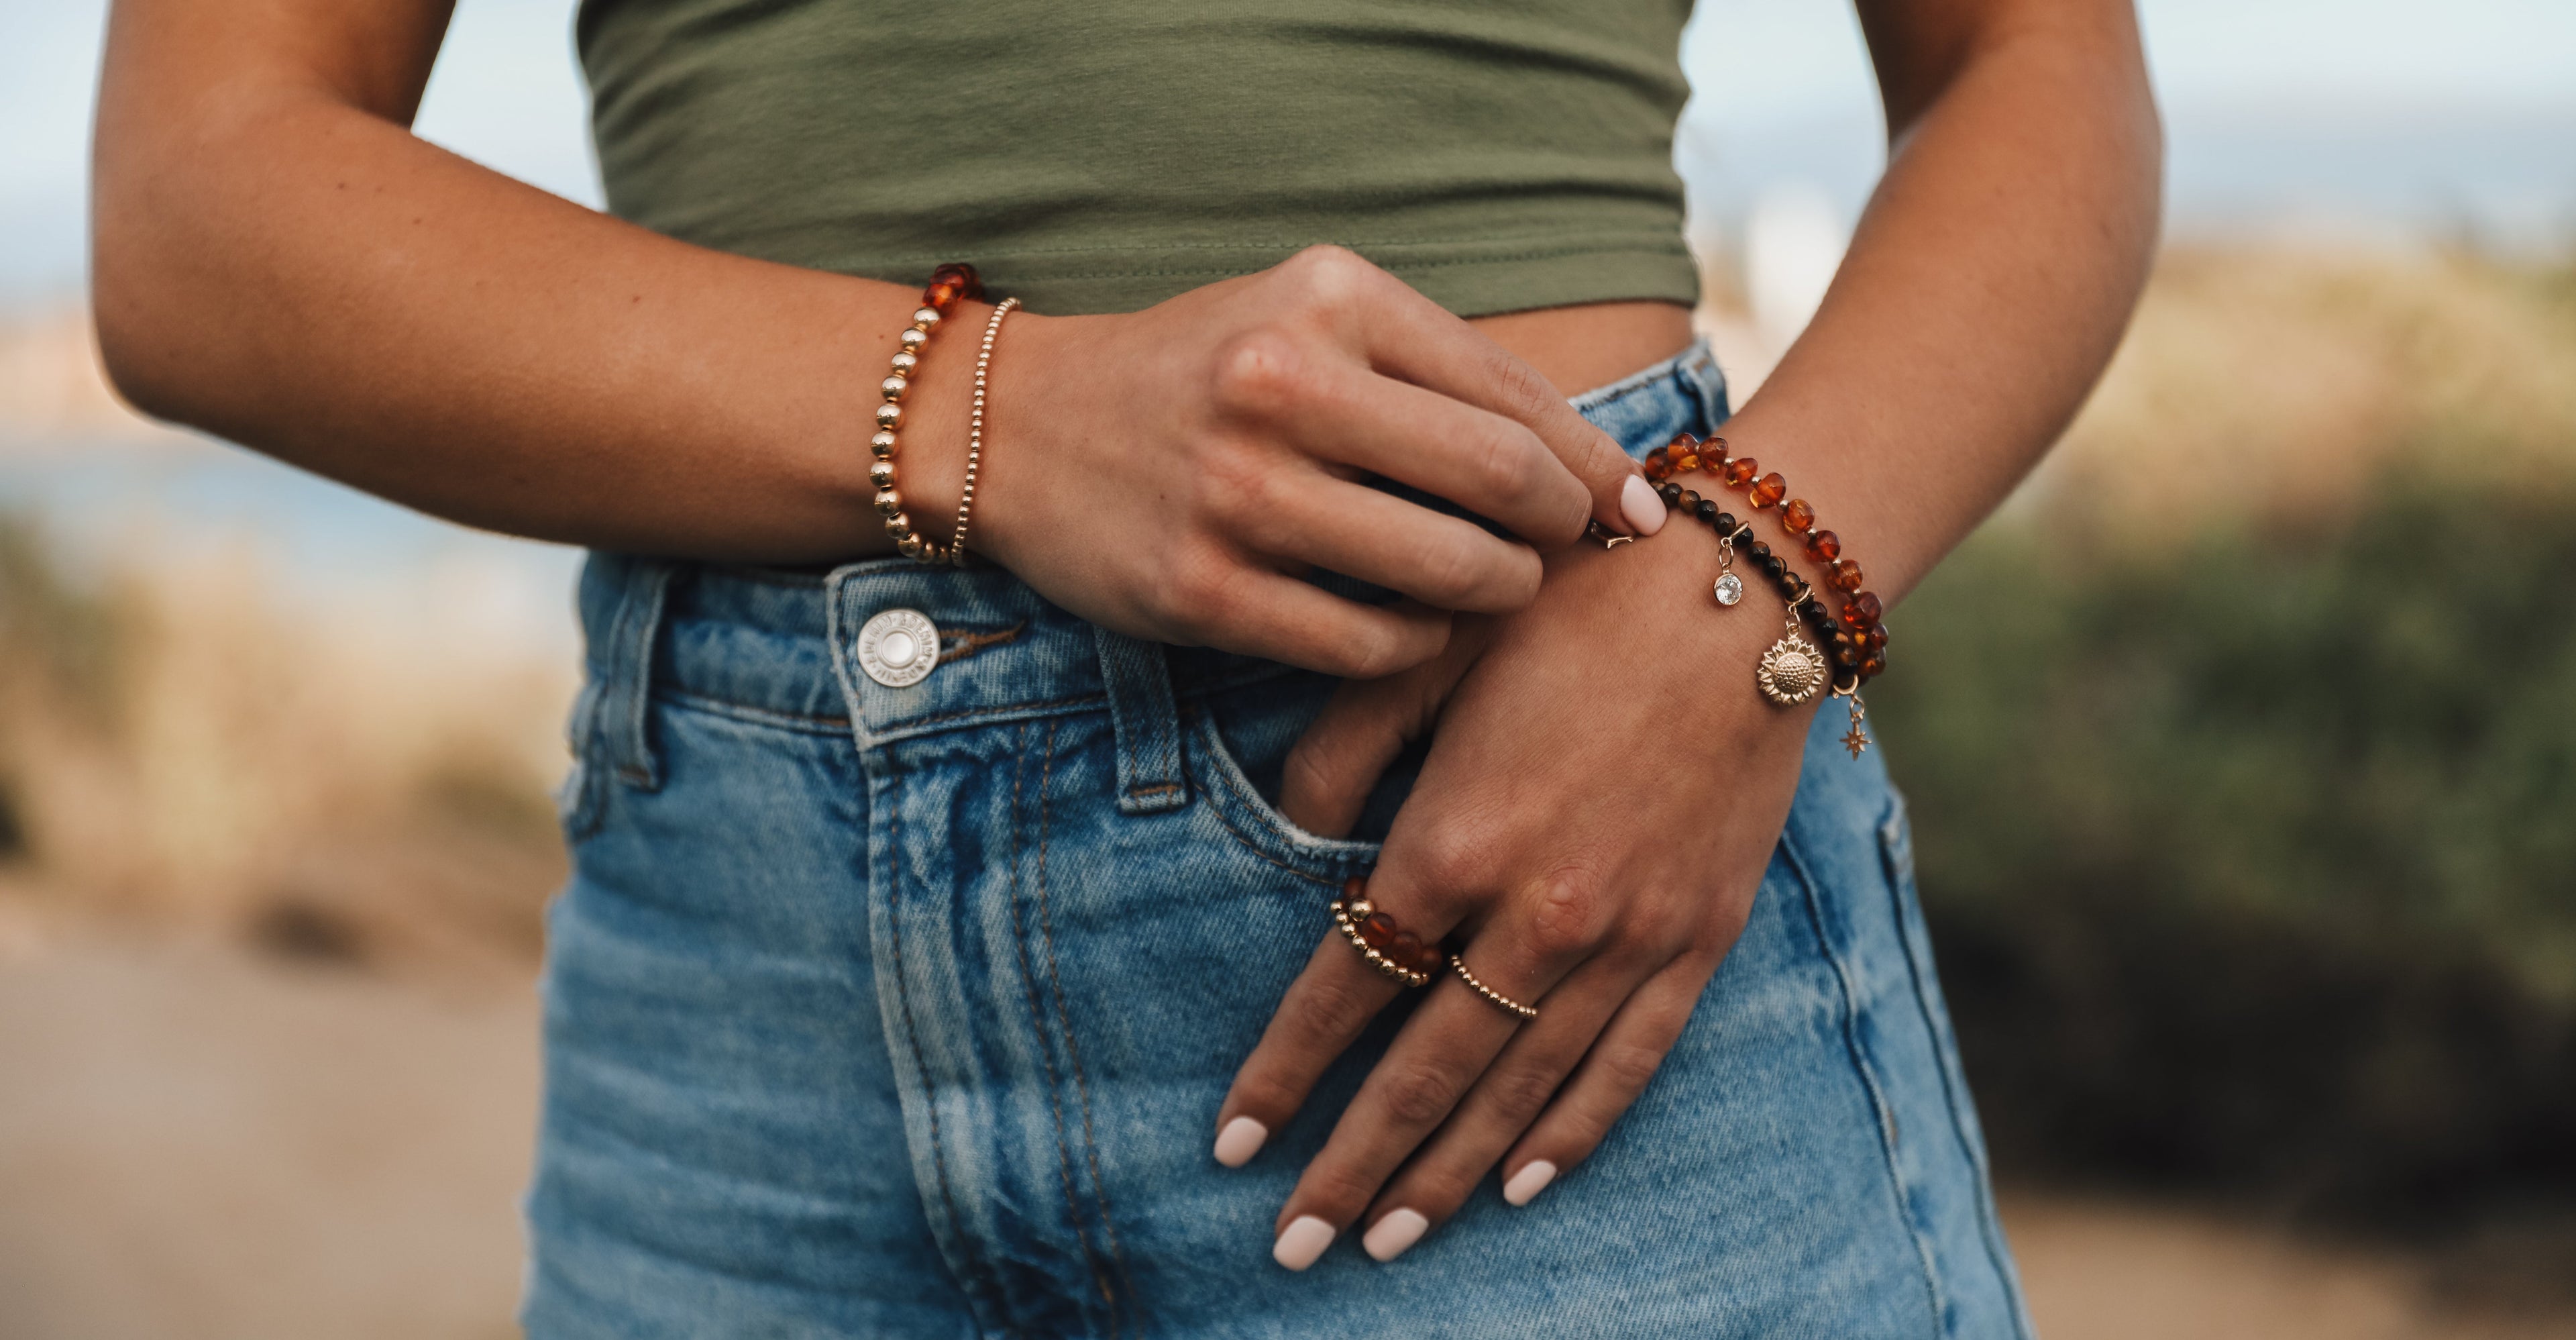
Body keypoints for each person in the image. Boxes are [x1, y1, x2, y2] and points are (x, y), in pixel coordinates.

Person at [91, 0, 2159, 1332]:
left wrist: (1750, 595)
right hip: (750, 968)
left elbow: (2037, 67)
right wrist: (994, 414)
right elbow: (199, 204)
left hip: (1520, 810)